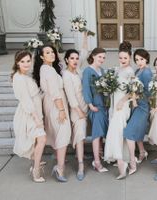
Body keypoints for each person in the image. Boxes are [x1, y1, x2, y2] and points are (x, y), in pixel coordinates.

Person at [33, 45, 72, 182]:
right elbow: (55, 92)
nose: (52, 54)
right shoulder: (48, 70)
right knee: (63, 132)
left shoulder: (47, 69)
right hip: (56, 104)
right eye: (47, 53)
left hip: (52, 103)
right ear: (42, 56)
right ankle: (60, 168)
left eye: (52, 52)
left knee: (58, 133)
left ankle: (59, 160)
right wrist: (61, 110)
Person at [11, 50, 46, 183]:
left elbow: (35, 94)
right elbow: (26, 100)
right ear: (17, 62)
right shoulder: (18, 78)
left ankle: (36, 161)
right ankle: (35, 169)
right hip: (29, 114)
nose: (26, 64)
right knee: (41, 139)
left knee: (37, 140)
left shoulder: (26, 76)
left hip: (36, 111)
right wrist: (36, 118)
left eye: (28, 61)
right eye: (22, 61)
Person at [104, 41, 134, 179]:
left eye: (125, 58)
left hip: (122, 106)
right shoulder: (117, 70)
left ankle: (122, 165)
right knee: (116, 132)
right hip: (114, 104)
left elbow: (133, 90)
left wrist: (122, 101)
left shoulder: (130, 71)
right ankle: (121, 160)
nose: (122, 60)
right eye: (120, 57)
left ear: (130, 57)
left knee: (116, 132)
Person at [62, 33, 88, 181]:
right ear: (66, 60)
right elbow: (71, 99)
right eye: (72, 58)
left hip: (86, 107)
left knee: (82, 136)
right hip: (77, 111)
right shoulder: (66, 75)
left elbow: (84, 52)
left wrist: (84, 37)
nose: (75, 60)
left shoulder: (78, 69)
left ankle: (81, 153)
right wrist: (80, 113)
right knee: (79, 136)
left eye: (76, 58)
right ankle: (80, 165)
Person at [124, 49, 153, 175]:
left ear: (146, 59)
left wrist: (136, 97)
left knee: (129, 133)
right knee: (138, 131)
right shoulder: (137, 71)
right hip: (135, 106)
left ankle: (132, 163)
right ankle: (142, 152)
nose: (139, 62)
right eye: (136, 60)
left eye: (141, 59)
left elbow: (149, 92)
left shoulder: (146, 72)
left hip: (143, 107)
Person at [82, 47, 109, 172]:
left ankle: (101, 155)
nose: (102, 59)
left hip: (104, 106)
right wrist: (90, 104)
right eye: (100, 57)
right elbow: (86, 88)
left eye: (103, 57)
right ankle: (97, 162)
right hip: (95, 107)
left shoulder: (102, 71)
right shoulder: (88, 71)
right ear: (93, 56)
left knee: (103, 133)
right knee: (97, 134)